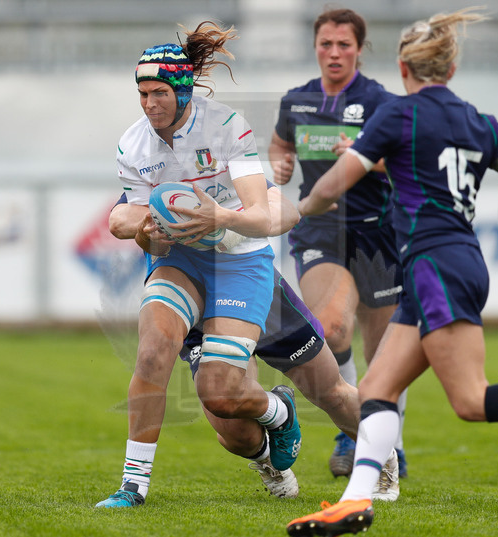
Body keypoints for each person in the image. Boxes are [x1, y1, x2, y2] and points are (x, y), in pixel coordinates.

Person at [286, 10, 498, 537]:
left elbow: (333, 185)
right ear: (449, 71)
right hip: (450, 261)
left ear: (405, 68)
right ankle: (354, 502)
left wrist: (298, 207)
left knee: (470, 400)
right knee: (378, 387)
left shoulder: (397, 115)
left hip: (435, 264)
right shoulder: (479, 120)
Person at [96, 22, 302, 508]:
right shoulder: (133, 144)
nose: (150, 104)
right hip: (183, 262)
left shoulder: (227, 126)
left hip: (237, 258)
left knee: (222, 395)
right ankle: (133, 486)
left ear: (183, 90)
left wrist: (219, 216)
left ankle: (278, 411)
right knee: (151, 353)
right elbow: (151, 237)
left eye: (160, 92)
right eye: (143, 93)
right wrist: (149, 230)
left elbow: (258, 212)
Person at [106, 186, 401, 503]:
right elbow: (120, 217)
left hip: (252, 285)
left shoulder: (225, 157)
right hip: (194, 301)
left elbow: (280, 208)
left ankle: (384, 457)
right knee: (231, 426)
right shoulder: (150, 169)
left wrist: (229, 219)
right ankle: (270, 453)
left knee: (329, 389)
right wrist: (146, 226)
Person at [268, 7, 407, 479]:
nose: (334, 52)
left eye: (343, 44)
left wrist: (368, 159)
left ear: (360, 49)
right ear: (315, 47)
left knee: (384, 350)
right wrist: (281, 163)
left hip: (378, 231)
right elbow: (279, 143)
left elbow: (406, 163)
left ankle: (392, 441)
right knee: (331, 328)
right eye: (326, 44)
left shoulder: (382, 102)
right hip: (321, 229)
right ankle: (352, 433)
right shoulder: (297, 101)